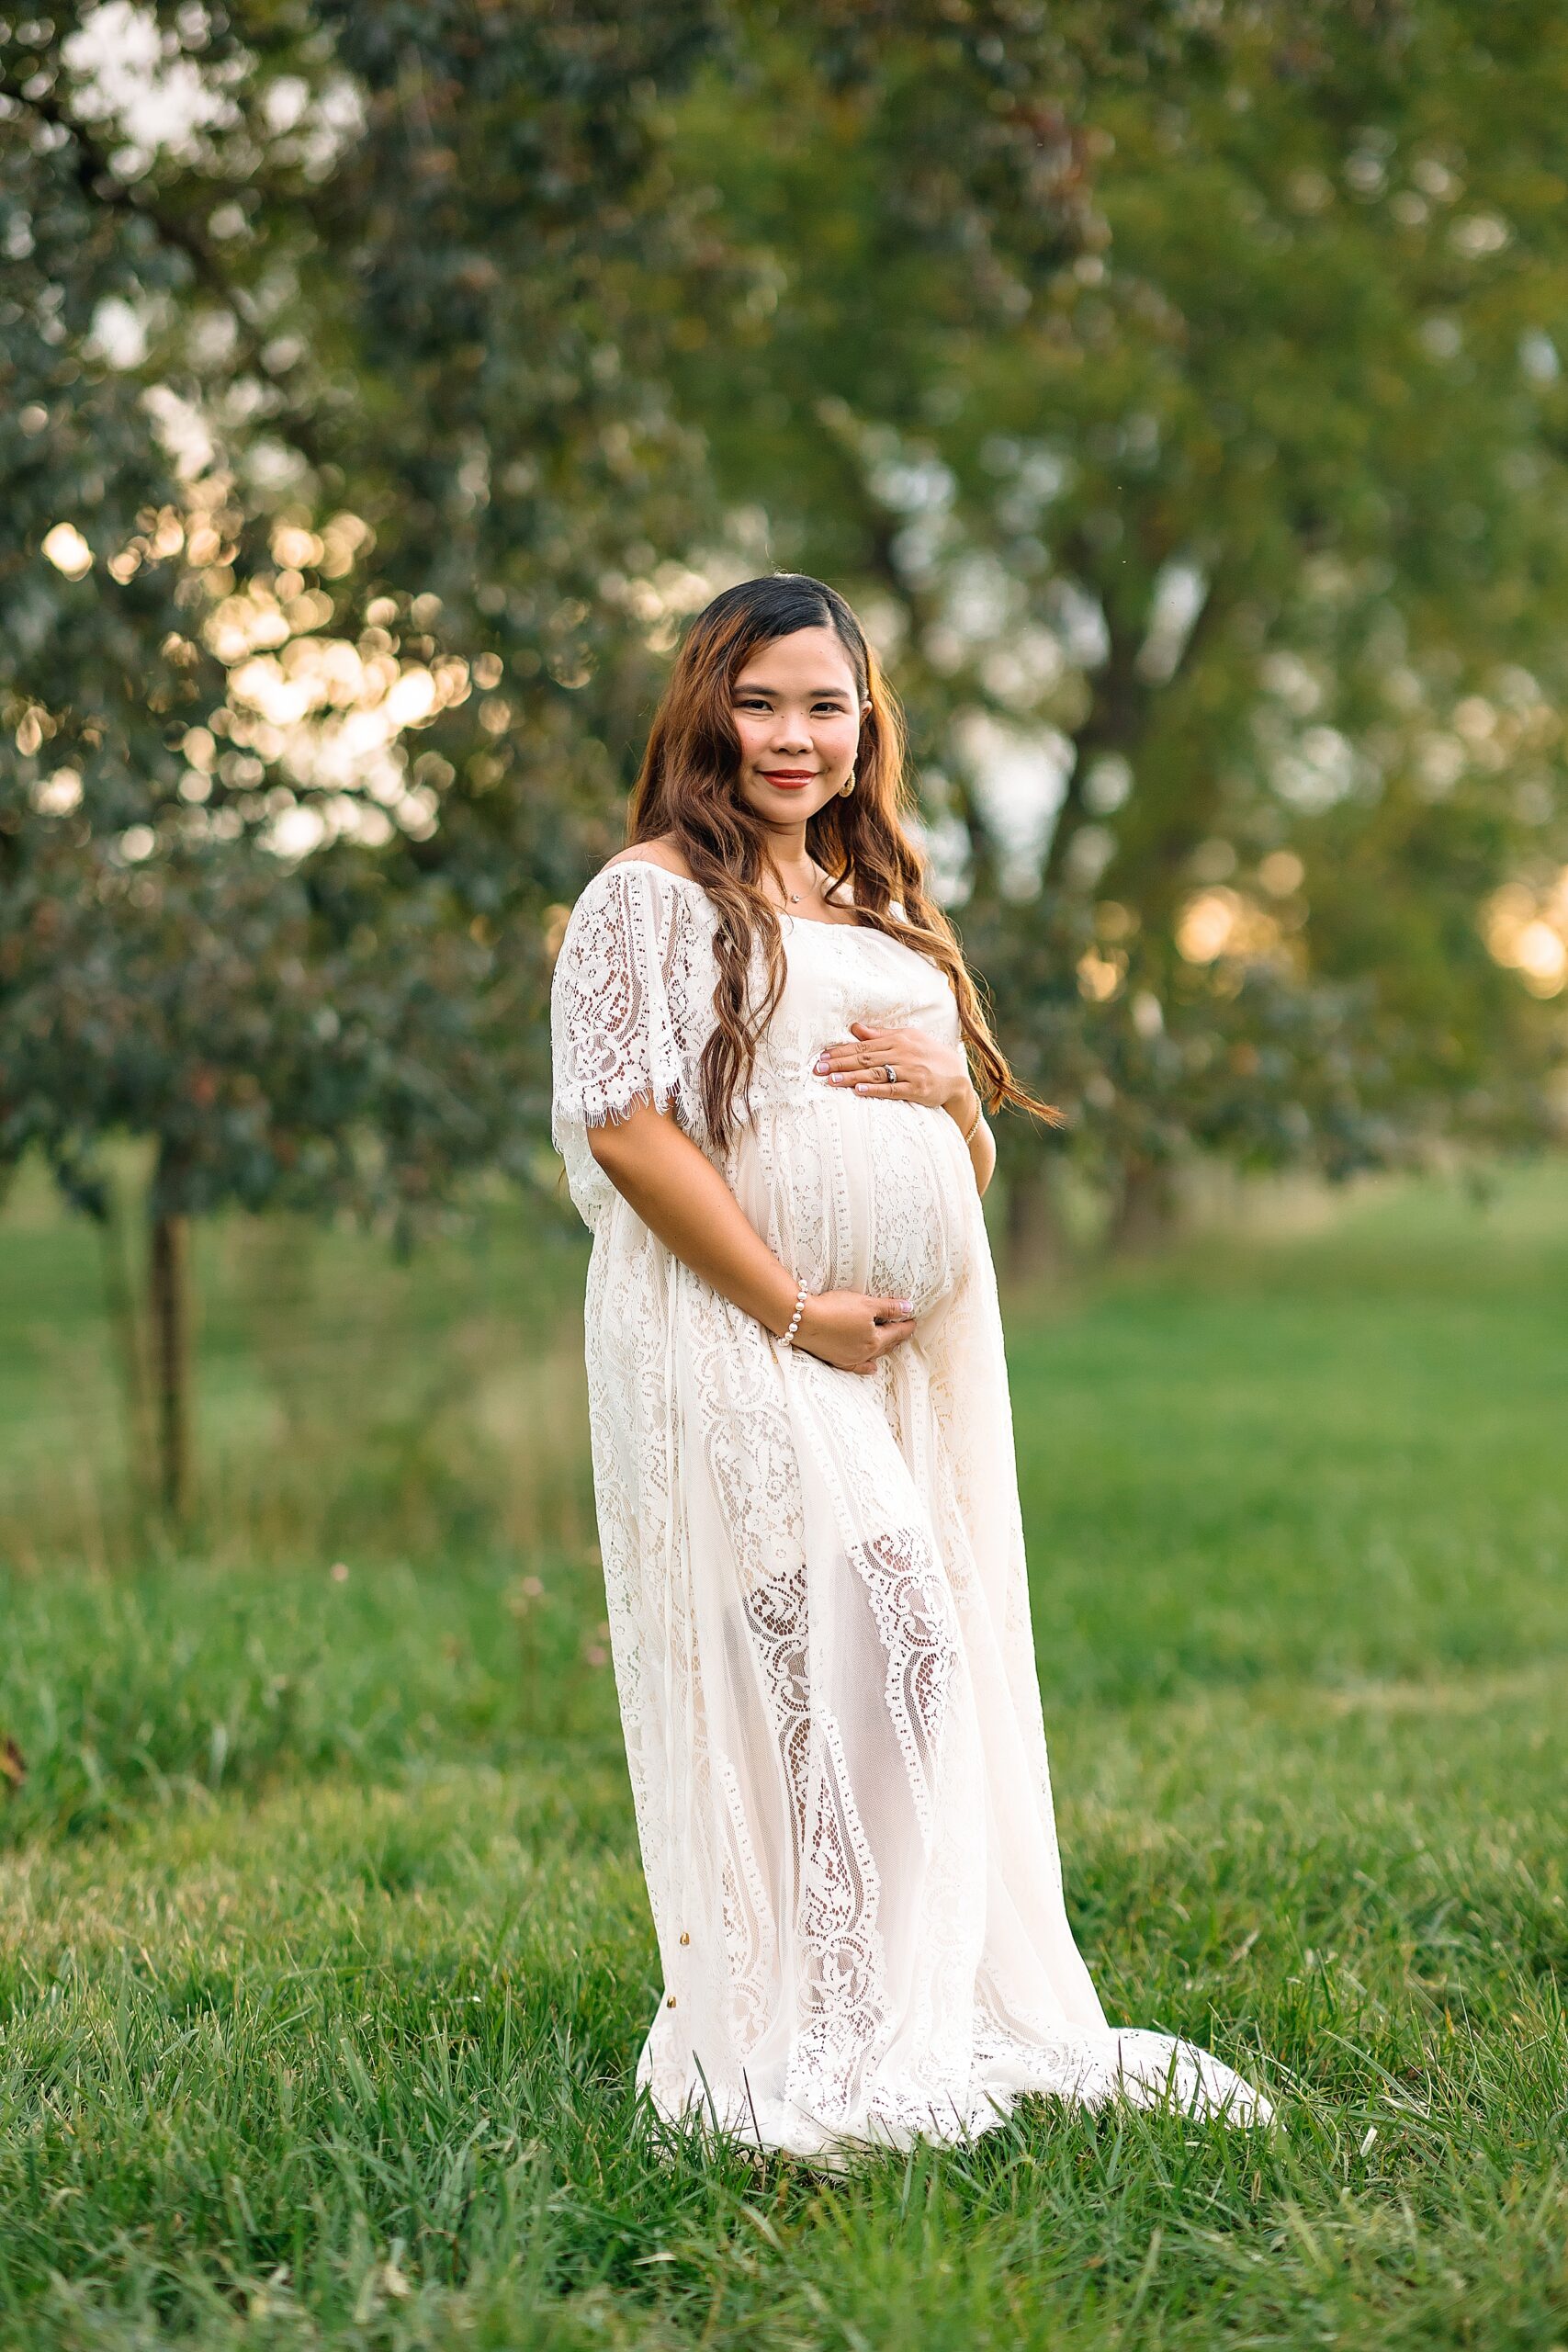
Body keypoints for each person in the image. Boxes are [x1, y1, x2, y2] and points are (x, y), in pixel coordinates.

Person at [549, 573, 1272, 2158]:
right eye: (760, 701)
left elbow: (956, 1176)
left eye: (827, 704)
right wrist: (788, 1304)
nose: (794, 736)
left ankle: (867, 2001)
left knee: (874, 1674)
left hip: (881, 1360)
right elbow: (623, 1124)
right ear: (703, 711)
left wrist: (954, 1088)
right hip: (731, 1327)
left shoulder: (878, 908)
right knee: (891, 1646)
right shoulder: (648, 897)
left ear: (867, 722)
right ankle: (822, 2026)